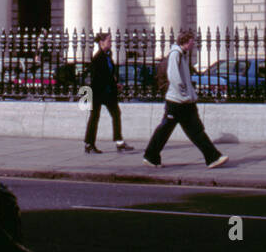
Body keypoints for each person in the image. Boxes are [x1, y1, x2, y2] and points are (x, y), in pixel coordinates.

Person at [143, 29, 228, 169]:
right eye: (191, 41)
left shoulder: (181, 55)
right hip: (178, 101)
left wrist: (190, 95)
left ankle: (212, 156)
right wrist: (183, 94)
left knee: (190, 130)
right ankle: (212, 157)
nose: (193, 43)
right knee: (175, 130)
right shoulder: (175, 54)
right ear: (185, 42)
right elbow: (174, 76)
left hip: (183, 101)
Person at [84, 32, 132, 154]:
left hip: (108, 92)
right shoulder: (97, 58)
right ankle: (89, 143)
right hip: (98, 93)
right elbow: (99, 77)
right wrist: (112, 84)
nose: (111, 43)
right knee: (94, 117)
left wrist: (115, 83)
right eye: (109, 41)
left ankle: (119, 141)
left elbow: (110, 74)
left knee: (116, 113)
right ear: (101, 42)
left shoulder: (107, 55)